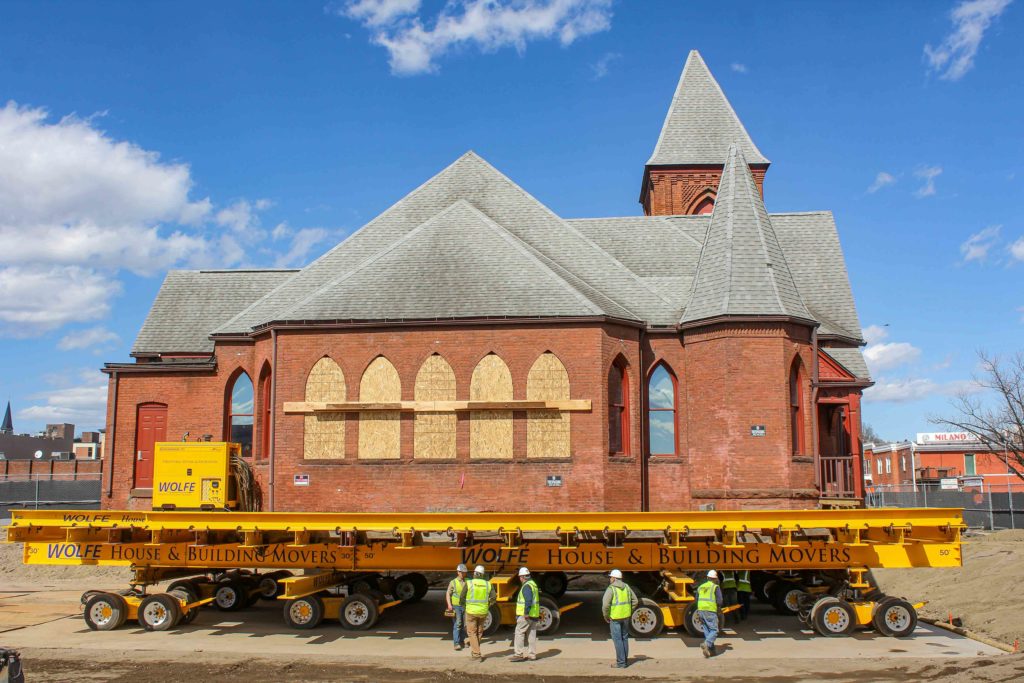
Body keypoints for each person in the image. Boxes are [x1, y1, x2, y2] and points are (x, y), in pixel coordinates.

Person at [602, 569, 638, 669]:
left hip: (615, 618)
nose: (610, 579)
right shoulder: (626, 587)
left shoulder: (611, 588)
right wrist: (629, 610)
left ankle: (621, 663)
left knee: (618, 640)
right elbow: (635, 600)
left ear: (614, 578)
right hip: (626, 617)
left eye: (610, 577)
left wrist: (606, 616)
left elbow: (605, 605)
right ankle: (625, 660)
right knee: (624, 638)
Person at [464, 565, 496, 661]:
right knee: (479, 632)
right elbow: (493, 598)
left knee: (472, 633)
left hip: (471, 612)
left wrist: (463, 606)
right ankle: (475, 651)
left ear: (474, 573)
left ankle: (476, 654)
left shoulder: (469, 583)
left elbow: (462, 597)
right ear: (483, 575)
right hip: (483, 612)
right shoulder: (488, 584)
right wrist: (487, 605)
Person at [510, 567, 540, 662]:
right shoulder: (533, 584)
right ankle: (532, 655)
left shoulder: (526, 586)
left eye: (520, 577)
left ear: (522, 577)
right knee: (531, 635)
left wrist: (526, 613)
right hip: (534, 614)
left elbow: (528, 600)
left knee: (519, 632)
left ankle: (518, 654)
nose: (520, 579)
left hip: (526, 615)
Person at [696, 570, 723, 658]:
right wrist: (718, 608)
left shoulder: (700, 587)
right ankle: (706, 644)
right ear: (715, 579)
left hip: (700, 610)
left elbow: (696, 599)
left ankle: (712, 651)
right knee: (714, 630)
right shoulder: (715, 587)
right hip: (710, 610)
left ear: (707, 578)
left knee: (707, 631)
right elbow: (719, 600)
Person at [446, 563, 469, 650]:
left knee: (464, 625)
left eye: (464, 572)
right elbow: (448, 593)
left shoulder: (467, 581)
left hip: (464, 606)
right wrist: (449, 604)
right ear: (458, 572)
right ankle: (456, 643)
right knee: (458, 624)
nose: (463, 574)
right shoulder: (453, 582)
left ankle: (462, 641)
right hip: (456, 606)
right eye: (462, 572)